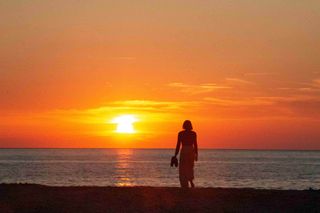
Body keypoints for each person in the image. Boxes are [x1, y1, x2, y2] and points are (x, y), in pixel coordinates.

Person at [173, 120, 198, 188]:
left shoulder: (181, 133)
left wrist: (175, 154)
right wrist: (196, 154)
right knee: (190, 167)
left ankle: (185, 184)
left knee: (183, 168)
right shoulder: (193, 133)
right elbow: (195, 145)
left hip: (184, 150)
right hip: (191, 150)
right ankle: (191, 181)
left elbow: (178, 145)